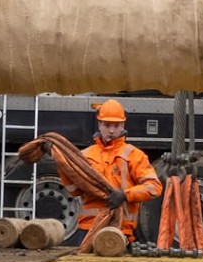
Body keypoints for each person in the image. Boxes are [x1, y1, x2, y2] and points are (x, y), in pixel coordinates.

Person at [61, 98, 163, 242]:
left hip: (121, 231)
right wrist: (62, 167)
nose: (111, 130)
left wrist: (125, 195)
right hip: (88, 229)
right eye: (107, 125)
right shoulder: (85, 155)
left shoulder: (134, 156)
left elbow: (154, 187)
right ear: (99, 124)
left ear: (123, 125)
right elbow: (74, 190)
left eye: (116, 125)